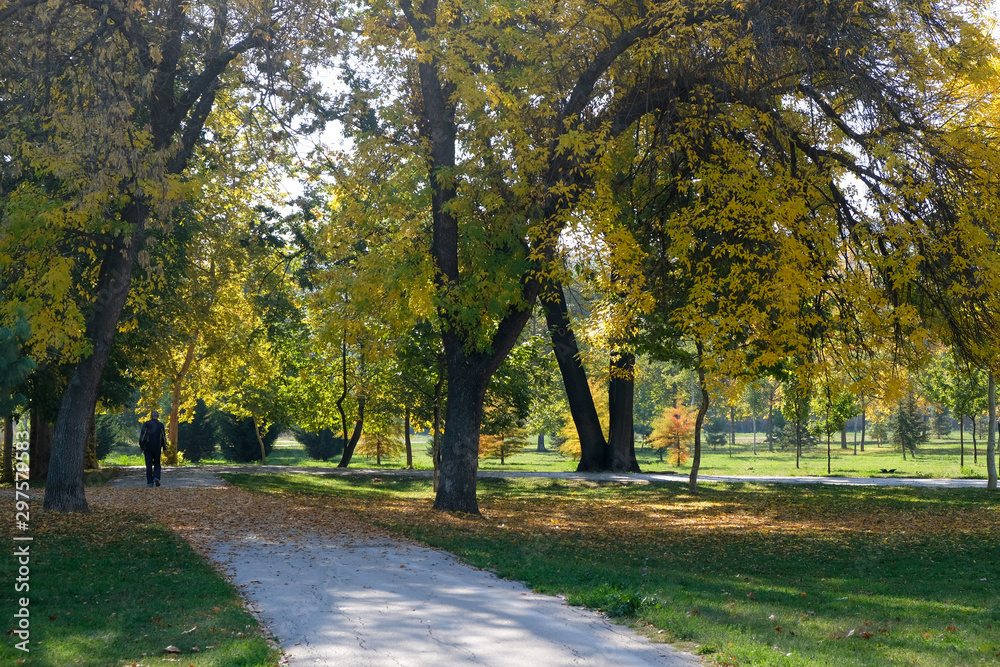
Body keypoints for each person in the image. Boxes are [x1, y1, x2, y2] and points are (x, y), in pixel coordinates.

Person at [139, 410, 168, 487]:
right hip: (157, 447)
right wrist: (164, 447)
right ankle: (156, 477)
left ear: (151, 416)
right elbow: (163, 438)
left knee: (148, 465)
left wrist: (141, 446)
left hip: (147, 448)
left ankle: (150, 482)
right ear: (157, 416)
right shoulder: (160, 425)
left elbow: (142, 436)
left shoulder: (146, 424)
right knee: (157, 463)